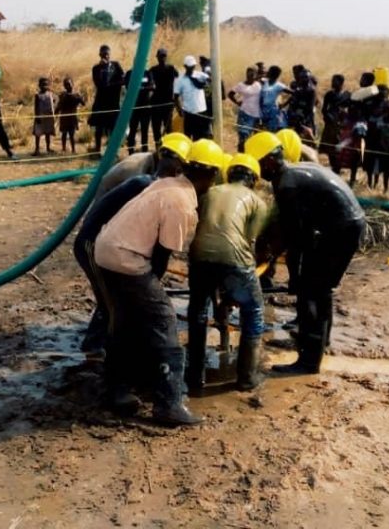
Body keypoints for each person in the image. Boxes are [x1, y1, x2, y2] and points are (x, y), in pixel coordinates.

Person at [92, 138, 222, 426]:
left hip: (105, 251)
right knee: (163, 318)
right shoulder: (183, 202)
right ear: (212, 175)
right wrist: (154, 290)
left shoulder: (168, 184)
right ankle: (169, 404)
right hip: (126, 258)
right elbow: (162, 255)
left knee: (124, 321)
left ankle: (116, 390)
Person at [245, 131, 366, 374]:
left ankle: (309, 361)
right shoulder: (293, 172)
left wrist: (288, 268)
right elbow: (293, 228)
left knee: (312, 291)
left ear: (268, 160)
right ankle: (321, 342)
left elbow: (295, 234)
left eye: (258, 165)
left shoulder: (287, 183)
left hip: (338, 231)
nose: (257, 173)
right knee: (320, 291)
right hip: (346, 225)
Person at [73, 134, 191, 354]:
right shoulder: (140, 181)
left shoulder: (149, 181)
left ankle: (108, 346)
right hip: (93, 241)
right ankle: (99, 349)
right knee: (111, 301)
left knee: (115, 297)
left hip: (106, 238)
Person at [186, 152, 269, 394]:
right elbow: (250, 240)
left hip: (199, 257)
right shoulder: (257, 201)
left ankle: (195, 378)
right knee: (253, 311)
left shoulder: (210, 193)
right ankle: (247, 376)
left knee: (198, 313)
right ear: (254, 179)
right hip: (235, 260)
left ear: (228, 174)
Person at [88, 44, 124, 152]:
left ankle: (112, 150)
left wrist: (112, 85)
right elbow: (99, 84)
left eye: (107, 54)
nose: (105, 56)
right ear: (99, 55)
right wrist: (102, 69)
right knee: (99, 127)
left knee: (112, 127)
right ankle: (97, 149)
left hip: (113, 101)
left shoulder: (116, 65)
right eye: (103, 54)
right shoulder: (96, 68)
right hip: (101, 101)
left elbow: (123, 79)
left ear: (110, 54)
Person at [173, 55, 209, 140]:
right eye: (189, 66)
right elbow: (175, 96)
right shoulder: (180, 80)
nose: (191, 68)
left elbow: (210, 80)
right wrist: (179, 109)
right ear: (185, 66)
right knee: (188, 137)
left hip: (202, 112)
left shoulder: (201, 75)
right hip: (189, 113)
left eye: (192, 66)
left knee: (201, 137)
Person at [318, 74, 349, 172]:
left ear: (341, 83)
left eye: (334, 81)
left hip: (341, 124)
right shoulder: (329, 94)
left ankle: (338, 167)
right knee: (330, 147)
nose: (332, 83)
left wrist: (344, 115)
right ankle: (333, 166)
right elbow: (324, 109)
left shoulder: (347, 95)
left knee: (339, 146)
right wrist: (327, 116)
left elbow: (350, 109)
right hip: (330, 124)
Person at [228, 66, 262, 152]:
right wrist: (237, 102)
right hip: (245, 115)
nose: (250, 75)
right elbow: (230, 94)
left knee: (256, 138)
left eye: (252, 73)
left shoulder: (258, 85)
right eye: (248, 73)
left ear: (256, 75)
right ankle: (241, 156)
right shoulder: (241, 85)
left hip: (256, 116)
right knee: (243, 138)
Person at [148, 48, 178, 144]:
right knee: (156, 128)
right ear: (157, 57)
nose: (162, 58)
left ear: (166, 57)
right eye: (161, 56)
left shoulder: (172, 68)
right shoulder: (152, 70)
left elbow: (178, 79)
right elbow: (150, 84)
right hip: (156, 104)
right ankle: (158, 147)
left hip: (167, 103)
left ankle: (168, 147)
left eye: (164, 56)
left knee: (168, 128)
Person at [124, 65, 154, 154]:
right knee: (132, 130)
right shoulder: (130, 73)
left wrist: (141, 88)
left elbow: (152, 86)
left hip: (145, 106)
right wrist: (142, 88)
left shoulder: (148, 73)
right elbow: (128, 87)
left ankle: (144, 151)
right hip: (134, 107)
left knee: (144, 130)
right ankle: (131, 152)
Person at [286, 64, 318, 144]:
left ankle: (313, 143)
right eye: (302, 78)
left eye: (305, 78)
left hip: (306, 115)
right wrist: (293, 113)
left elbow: (310, 107)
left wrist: (303, 117)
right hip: (298, 114)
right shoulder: (298, 89)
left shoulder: (311, 90)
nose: (304, 80)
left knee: (308, 133)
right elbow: (294, 102)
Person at [57, 77, 85, 153]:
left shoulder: (76, 94)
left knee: (72, 134)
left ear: (72, 84)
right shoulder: (63, 95)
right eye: (66, 85)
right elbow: (59, 106)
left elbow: (83, 103)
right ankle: (63, 148)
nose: (68, 86)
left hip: (72, 117)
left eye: (69, 84)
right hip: (64, 117)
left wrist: (80, 97)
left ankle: (73, 149)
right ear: (64, 86)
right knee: (64, 134)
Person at [259, 65, 290, 132]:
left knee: (271, 130)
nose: (267, 72)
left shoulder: (279, 85)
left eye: (269, 71)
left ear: (273, 74)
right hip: (263, 110)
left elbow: (294, 93)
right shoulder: (264, 81)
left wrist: (284, 104)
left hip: (273, 111)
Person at [32, 77, 57, 156]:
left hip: (48, 117)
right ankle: (37, 149)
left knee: (48, 133)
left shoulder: (50, 94)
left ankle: (48, 148)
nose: (44, 86)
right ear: (39, 85)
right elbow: (36, 107)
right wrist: (37, 116)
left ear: (49, 85)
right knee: (38, 134)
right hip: (40, 117)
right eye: (42, 85)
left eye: (46, 84)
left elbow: (54, 101)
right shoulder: (38, 95)